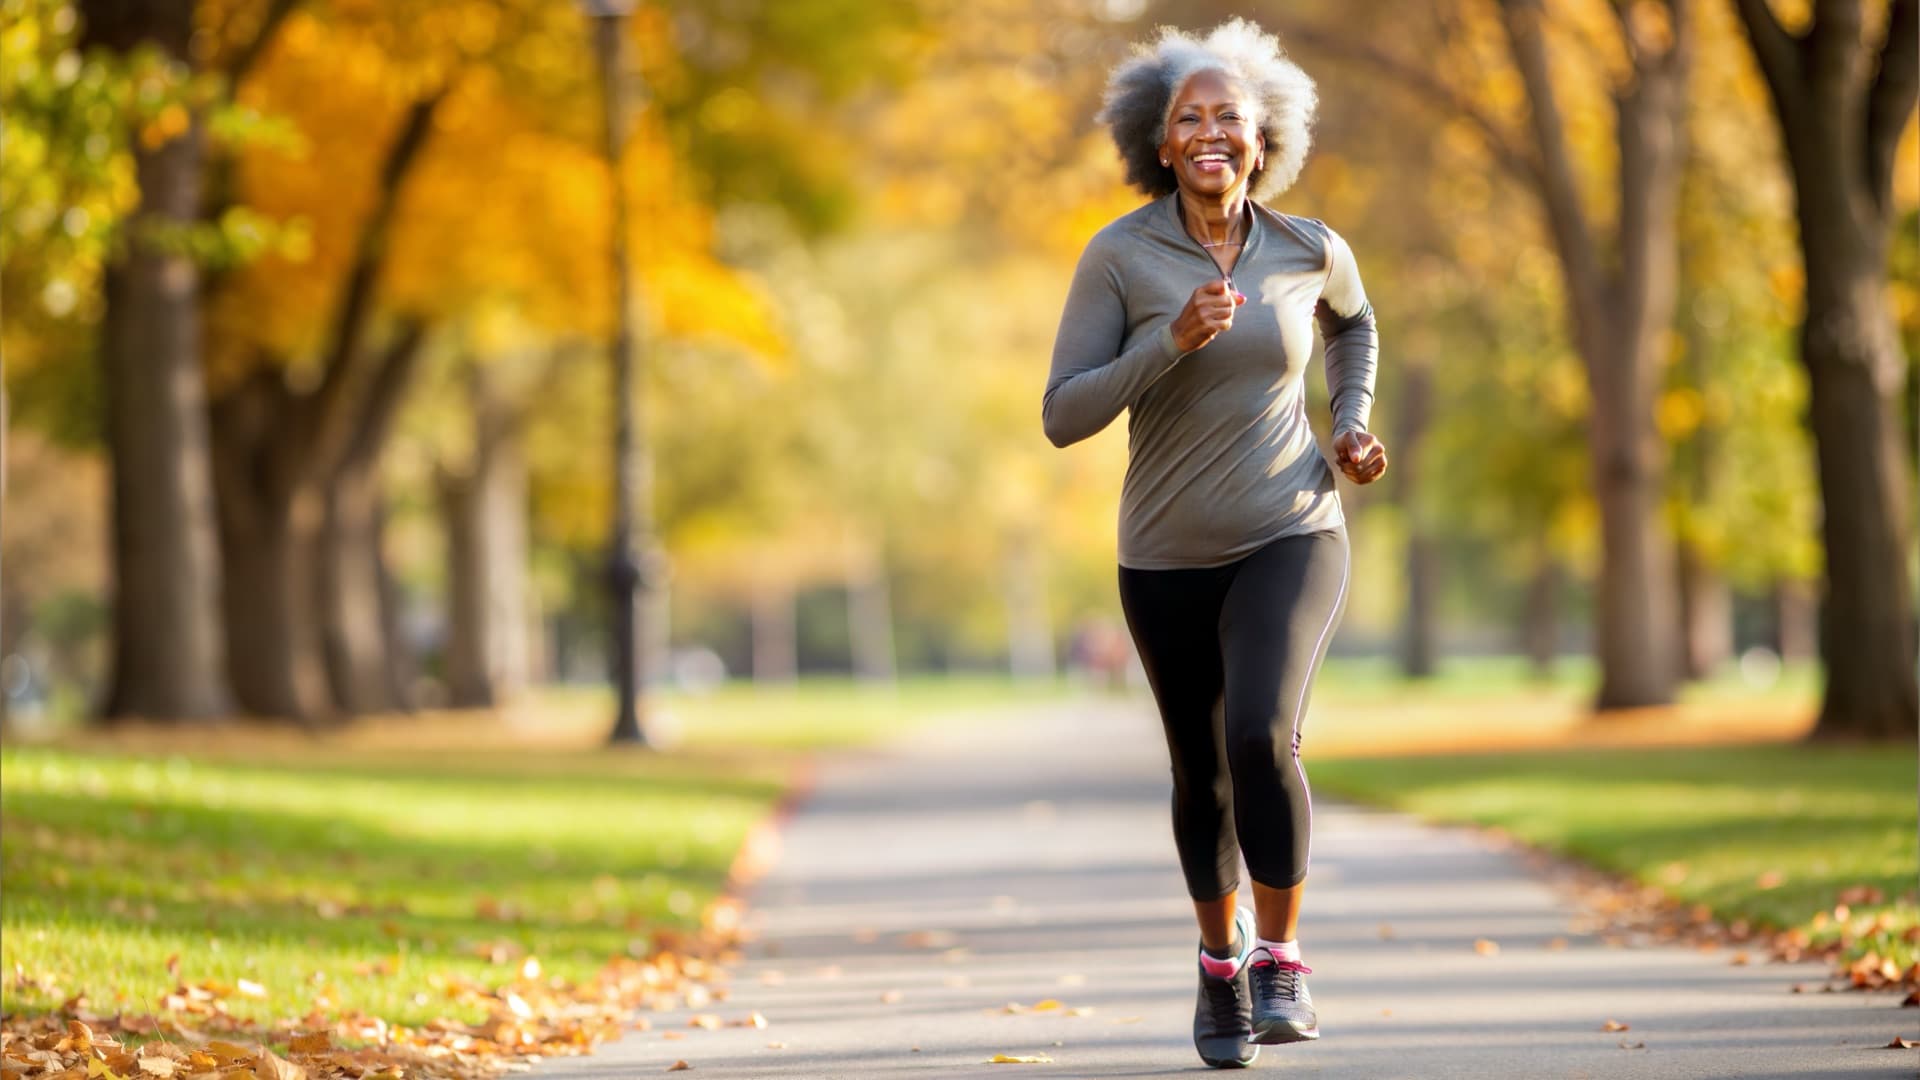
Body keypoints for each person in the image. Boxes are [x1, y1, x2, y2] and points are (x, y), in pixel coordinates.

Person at [1041, 17, 1386, 1070]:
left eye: (1228, 116)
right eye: (1189, 118)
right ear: (1160, 142)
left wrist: (1352, 418)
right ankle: (1219, 966)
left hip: (1292, 525)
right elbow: (1064, 412)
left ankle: (1280, 957)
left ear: (1262, 133)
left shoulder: (1307, 247)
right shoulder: (1119, 255)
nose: (1210, 133)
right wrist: (1166, 342)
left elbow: (1353, 324)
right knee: (1202, 772)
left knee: (1260, 736)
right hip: (1163, 555)